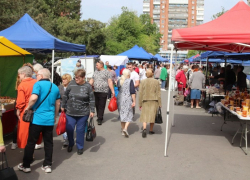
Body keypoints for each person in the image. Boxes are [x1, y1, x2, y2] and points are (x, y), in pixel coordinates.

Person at [18, 68, 60, 173]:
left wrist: (27, 108)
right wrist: (55, 116)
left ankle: (26, 165)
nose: (36, 77)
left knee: (31, 143)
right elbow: (58, 103)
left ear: (41, 76)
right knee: (48, 143)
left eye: (37, 75)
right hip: (49, 119)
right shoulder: (54, 86)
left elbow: (33, 98)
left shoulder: (37, 85)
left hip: (37, 119)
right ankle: (47, 165)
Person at [62, 69, 95, 155]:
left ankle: (80, 146)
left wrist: (92, 110)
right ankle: (71, 143)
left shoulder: (88, 86)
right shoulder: (71, 84)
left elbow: (91, 99)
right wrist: (63, 105)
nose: (76, 79)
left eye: (78, 78)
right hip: (70, 112)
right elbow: (65, 95)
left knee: (80, 131)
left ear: (83, 77)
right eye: (75, 77)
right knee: (69, 129)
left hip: (83, 113)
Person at [15, 66, 43, 149]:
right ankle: (32, 151)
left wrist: (18, 110)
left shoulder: (22, 85)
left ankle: (28, 155)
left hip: (26, 111)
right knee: (35, 132)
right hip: (37, 110)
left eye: (19, 74)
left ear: (23, 74)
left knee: (25, 133)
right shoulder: (37, 82)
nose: (19, 76)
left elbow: (21, 102)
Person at [89, 61, 114, 125]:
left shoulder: (107, 72)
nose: (96, 66)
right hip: (96, 91)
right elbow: (92, 79)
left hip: (104, 91)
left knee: (101, 105)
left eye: (97, 65)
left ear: (101, 65)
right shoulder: (96, 72)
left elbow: (110, 81)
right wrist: (88, 85)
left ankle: (100, 118)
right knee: (97, 104)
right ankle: (99, 115)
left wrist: (112, 90)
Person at [139, 69, 161, 138]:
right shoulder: (156, 81)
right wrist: (160, 103)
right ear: (152, 74)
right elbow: (158, 93)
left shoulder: (142, 81)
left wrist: (140, 104)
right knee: (152, 115)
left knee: (144, 115)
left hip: (145, 99)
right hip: (154, 100)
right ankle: (151, 130)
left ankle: (144, 129)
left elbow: (140, 93)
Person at [117, 69, 136, 137]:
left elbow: (118, 89)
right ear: (128, 74)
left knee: (122, 114)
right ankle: (125, 128)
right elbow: (132, 92)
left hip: (120, 99)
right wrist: (134, 101)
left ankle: (123, 130)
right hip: (127, 99)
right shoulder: (130, 81)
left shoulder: (119, 80)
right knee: (129, 114)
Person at [58, 74, 72, 147]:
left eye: (65, 79)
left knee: (69, 124)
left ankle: (70, 138)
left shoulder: (72, 87)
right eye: (63, 79)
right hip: (62, 109)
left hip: (70, 108)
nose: (64, 81)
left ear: (69, 79)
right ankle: (65, 139)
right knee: (63, 123)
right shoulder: (59, 87)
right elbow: (57, 97)